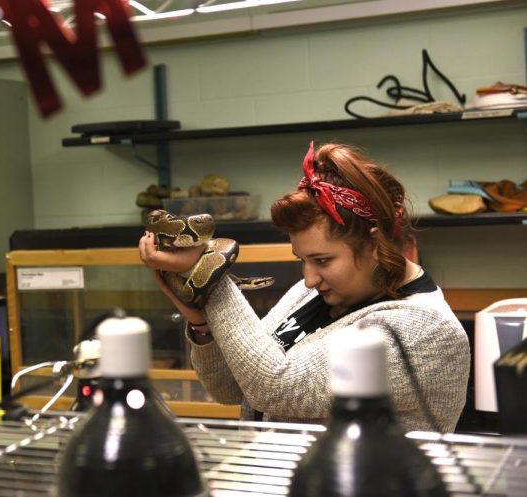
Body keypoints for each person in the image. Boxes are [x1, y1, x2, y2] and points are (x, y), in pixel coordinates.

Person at [138, 141, 470, 433]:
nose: (309, 279)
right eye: (302, 260)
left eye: (323, 261)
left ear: (375, 244)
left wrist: (212, 278)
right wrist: (201, 321)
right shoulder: (314, 292)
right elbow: (231, 389)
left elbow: (276, 389)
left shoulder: (425, 330)